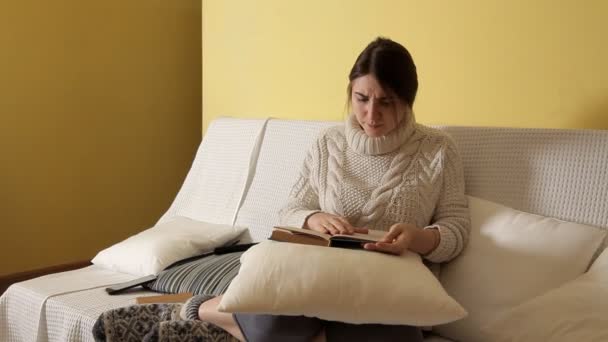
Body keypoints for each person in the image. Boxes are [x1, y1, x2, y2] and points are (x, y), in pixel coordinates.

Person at [92, 37, 470, 342]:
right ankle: (203, 308)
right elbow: (291, 209)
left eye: (387, 102)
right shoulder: (327, 144)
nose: (372, 115)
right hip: (317, 277)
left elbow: (456, 230)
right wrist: (314, 216)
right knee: (276, 327)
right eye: (362, 99)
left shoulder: (437, 150)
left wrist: (418, 238)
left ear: (408, 100)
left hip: (388, 288)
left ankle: (230, 320)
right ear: (350, 92)